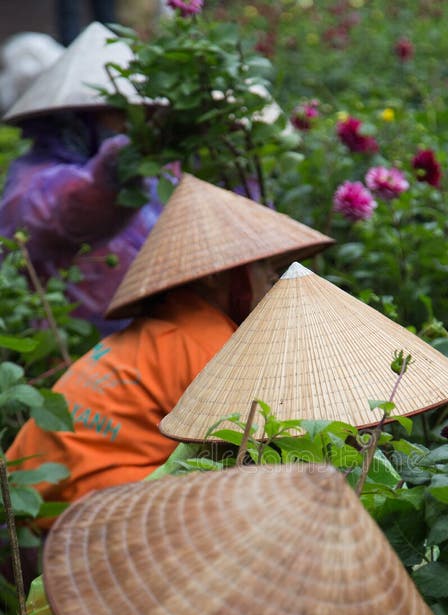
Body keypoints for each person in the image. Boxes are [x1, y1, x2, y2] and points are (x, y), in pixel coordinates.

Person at [4, 173, 334, 526]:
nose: (272, 276)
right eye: (262, 264)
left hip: (24, 506)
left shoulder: (158, 331)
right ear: (214, 275)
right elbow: (265, 453)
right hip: (97, 519)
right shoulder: (212, 343)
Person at [0, 22, 163, 336]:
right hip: (81, 357)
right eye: (117, 114)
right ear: (79, 115)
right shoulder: (32, 182)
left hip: (151, 341)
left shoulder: (152, 173)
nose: (129, 123)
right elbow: (71, 207)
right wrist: (117, 166)